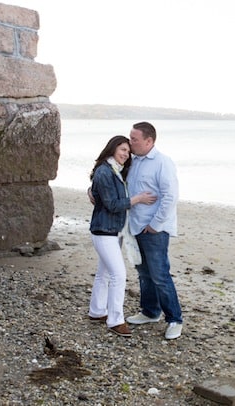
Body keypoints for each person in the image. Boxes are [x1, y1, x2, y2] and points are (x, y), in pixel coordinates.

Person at [88, 135, 156, 337]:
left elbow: (100, 194)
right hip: (104, 231)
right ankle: (115, 320)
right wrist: (138, 199)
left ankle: (97, 311)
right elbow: (113, 205)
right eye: (123, 149)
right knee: (119, 275)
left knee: (105, 273)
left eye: (128, 151)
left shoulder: (115, 171)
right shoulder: (104, 172)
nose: (126, 154)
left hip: (112, 231)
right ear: (112, 149)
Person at [125, 121, 184, 340]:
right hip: (135, 226)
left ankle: (175, 319)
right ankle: (150, 312)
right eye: (131, 138)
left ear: (149, 141)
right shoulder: (132, 161)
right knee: (143, 273)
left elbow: (170, 197)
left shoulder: (162, 162)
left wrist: (156, 224)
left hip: (155, 229)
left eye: (134, 139)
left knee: (160, 275)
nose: (130, 142)